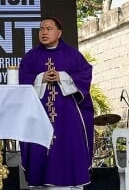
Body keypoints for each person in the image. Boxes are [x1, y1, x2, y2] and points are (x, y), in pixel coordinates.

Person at [18, 17, 93, 188]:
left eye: (49, 28)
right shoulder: (31, 57)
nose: (44, 32)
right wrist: (40, 78)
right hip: (39, 115)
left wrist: (63, 77)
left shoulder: (72, 55)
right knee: (40, 151)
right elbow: (22, 80)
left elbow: (85, 75)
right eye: (41, 29)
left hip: (67, 117)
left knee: (68, 149)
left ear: (59, 33)